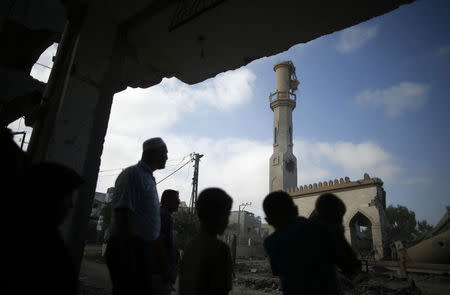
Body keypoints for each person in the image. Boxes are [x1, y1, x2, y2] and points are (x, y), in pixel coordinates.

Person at [106, 137, 170, 295]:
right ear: (154, 153)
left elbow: (149, 224)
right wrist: (129, 256)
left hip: (140, 250)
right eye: (165, 153)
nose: (167, 157)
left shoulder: (148, 178)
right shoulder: (133, 174)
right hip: (129, 249)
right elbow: (122, 213)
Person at [263, 191, 340, 295]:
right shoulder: (319, 228)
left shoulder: (270, 242)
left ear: (268, 221)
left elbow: (276, 270)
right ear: (296, 210)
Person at [179, 188, 233, 295]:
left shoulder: (190, 246)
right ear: (217, 216)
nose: (227, 220)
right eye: (226, 214)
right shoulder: (220, 249)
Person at [310, 193, 361, 279]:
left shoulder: (312, 227)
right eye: (339, 217)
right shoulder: (328, 231)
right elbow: (350, 264)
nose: (341, 221)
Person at [159, 189, 181, 294]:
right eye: (176, 199)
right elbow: (160, 244)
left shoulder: (164, 215)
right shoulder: (164, 216)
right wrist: (167, 271)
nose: (179, 202)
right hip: (162, 274)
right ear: (167, 201)